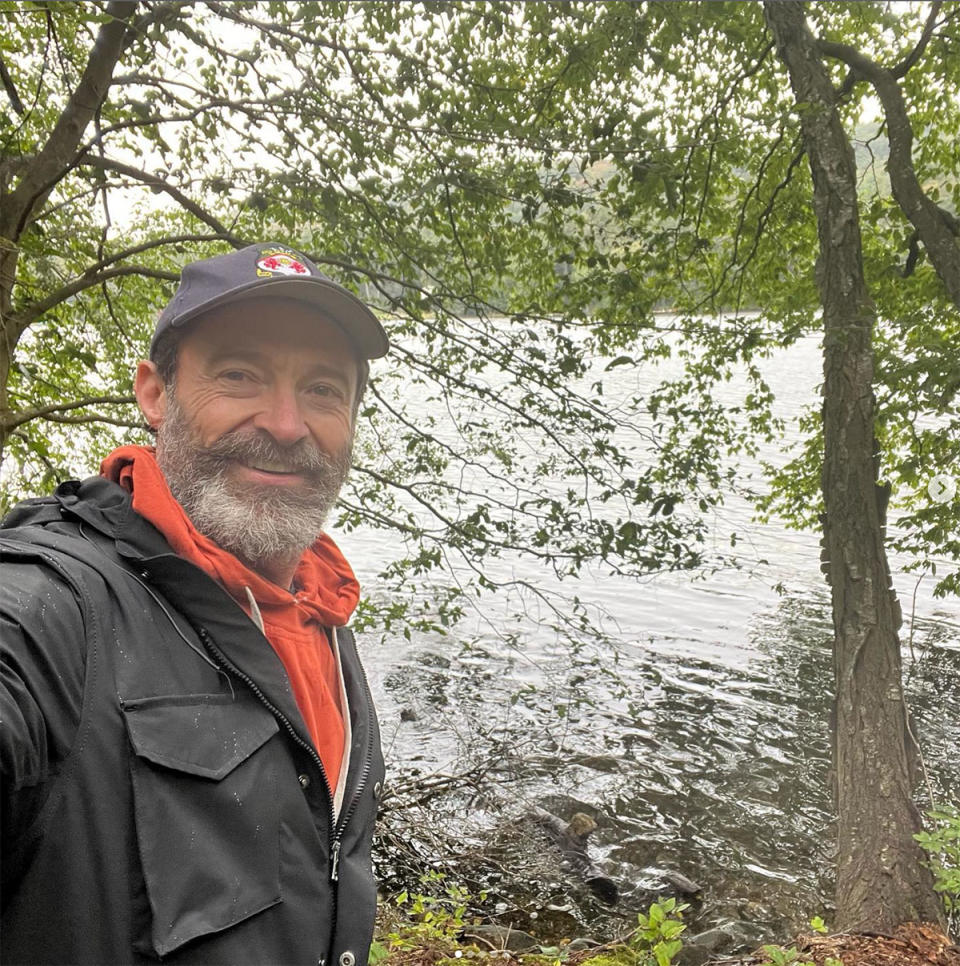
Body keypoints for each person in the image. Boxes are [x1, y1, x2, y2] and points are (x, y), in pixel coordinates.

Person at [0, 243, 388, 965]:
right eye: (240, 374)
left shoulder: (322, 613)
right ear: (155, 392)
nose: (285, 423)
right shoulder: (53, 608)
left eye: (324, 389)